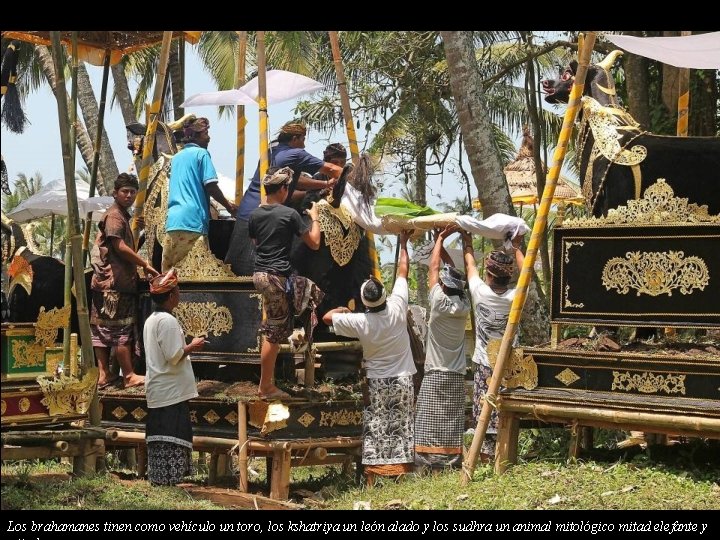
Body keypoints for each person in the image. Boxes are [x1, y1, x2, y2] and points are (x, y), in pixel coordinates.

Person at [323, 231, 416, 484]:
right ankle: (400, 475)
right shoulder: (397, 306)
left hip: (377, 381)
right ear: (384, 296)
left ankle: (373, 477)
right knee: (400, 426)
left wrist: (343, 309)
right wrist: (404, 243)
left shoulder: (360, 321)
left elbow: (327, 318)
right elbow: (403, 272)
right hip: (403, 379)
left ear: (364, 301)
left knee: (376, 426)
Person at [225, 121, 343, 276]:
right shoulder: (296, 154)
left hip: (247, 211)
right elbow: (332, 169)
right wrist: (355, 176)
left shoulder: (271, 149)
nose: (304, 144)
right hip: (265, 213)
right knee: (260, 270)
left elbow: (296, 181)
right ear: (294, 139)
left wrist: (324, 183)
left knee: (239, 271)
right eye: (303, 139)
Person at [249, 167, 321, 399]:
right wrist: (315, 219)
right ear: (283, 189)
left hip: (260, 276)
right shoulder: (289, 214)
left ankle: (267, 383)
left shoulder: (255, 215)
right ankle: (266, 387)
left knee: (275, 327)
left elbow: (255, 241)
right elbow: (314, 244)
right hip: (276, 277)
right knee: (274, 333)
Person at [90, 173, 159, 389]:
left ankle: (104, 374)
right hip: (114, 283)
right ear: (115, 193)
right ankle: (129, 375)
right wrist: (144, 264)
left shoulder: (121, 216)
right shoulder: (114, 217)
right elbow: (119, 246)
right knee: (120, 329)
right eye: (124, 191)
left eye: (132, 192)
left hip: (107, 282)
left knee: (102, 328)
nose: (129, 195)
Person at [463, 230, 525, 463]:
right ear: (508, 277)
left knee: (484, 414)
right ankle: (506, 457)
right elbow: (526, 273)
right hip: (510, 366)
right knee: (506, 412)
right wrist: (518, 248)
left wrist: (467, 241)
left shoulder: (480, 292)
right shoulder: (515, 298)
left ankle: (488, 458)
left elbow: (469, 265)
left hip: (485, 366)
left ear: (488, 273)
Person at [414, 225, 470, 471]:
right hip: (457, 373)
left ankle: (427, 462)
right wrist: (444, 246)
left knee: (428, 419)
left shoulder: (438, 304)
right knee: (451, 420)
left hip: (436, 372)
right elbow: (451, 274)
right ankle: (450, 460)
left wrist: (439, 238)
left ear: (445, 287)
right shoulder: (464, 305)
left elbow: (434, 269)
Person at [143, 269, 205, 485]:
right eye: (177, 291)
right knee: (172, 433)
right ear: (170, 296)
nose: (179, 295)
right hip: (170, 390)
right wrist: (193, 346)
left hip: (161, 388)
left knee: (162, 433)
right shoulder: (167, 321)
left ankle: (162, 478)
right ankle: (172, 478)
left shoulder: (152, 320)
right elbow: (174, 356)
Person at [162, 116, 237, 271]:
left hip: (173, 221)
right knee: (195, 273)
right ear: (195, 136)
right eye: (206, 133)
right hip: (192, 221)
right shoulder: (201, 154)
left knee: (171, 274)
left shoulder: (176, 158)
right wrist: (229, 206)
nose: (208, 137)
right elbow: (211, 186)